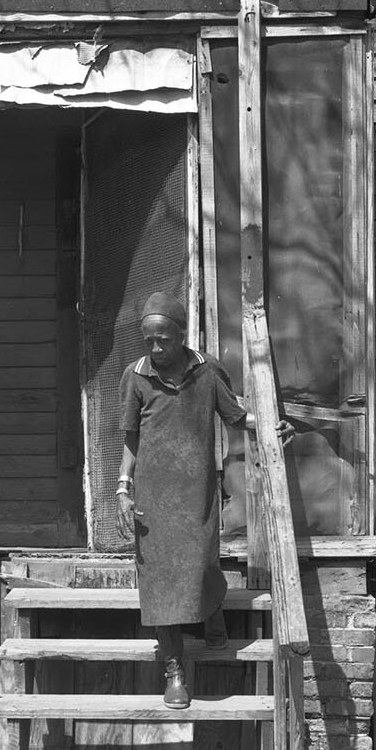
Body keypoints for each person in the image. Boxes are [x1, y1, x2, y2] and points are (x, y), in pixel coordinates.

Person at [115, 291, 289, 709]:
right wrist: (123, 487)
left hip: (197, 494)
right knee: (157, 584)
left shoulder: (207, 371)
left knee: (200, 563)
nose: (156, 348)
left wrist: (271, 427)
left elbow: (235, 416)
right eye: (149, 340)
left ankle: (212, 609)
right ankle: (175, 671)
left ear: (181, 334)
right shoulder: (135, 376)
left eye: (164, 339)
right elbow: (131, 438)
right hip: (153, 498)